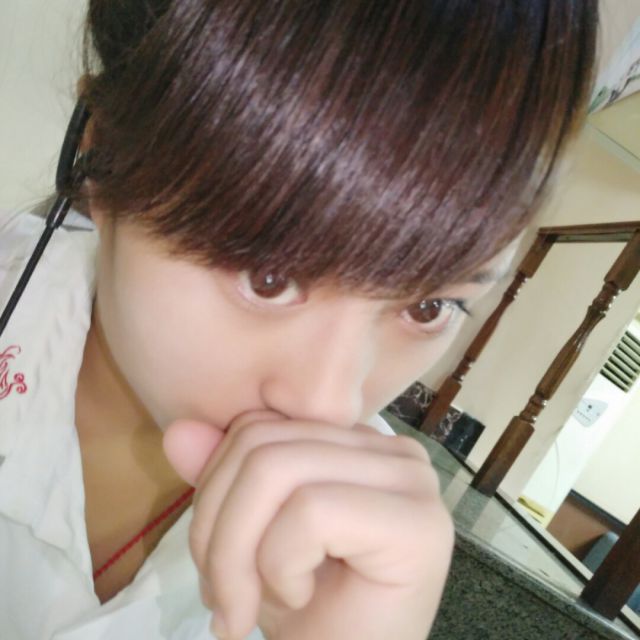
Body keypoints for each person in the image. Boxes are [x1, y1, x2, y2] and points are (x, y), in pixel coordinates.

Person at [0, 1, 598, 639]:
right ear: (102, 158)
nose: (329, 405)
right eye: (267, 277)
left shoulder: (365, 567)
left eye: (428, 307)